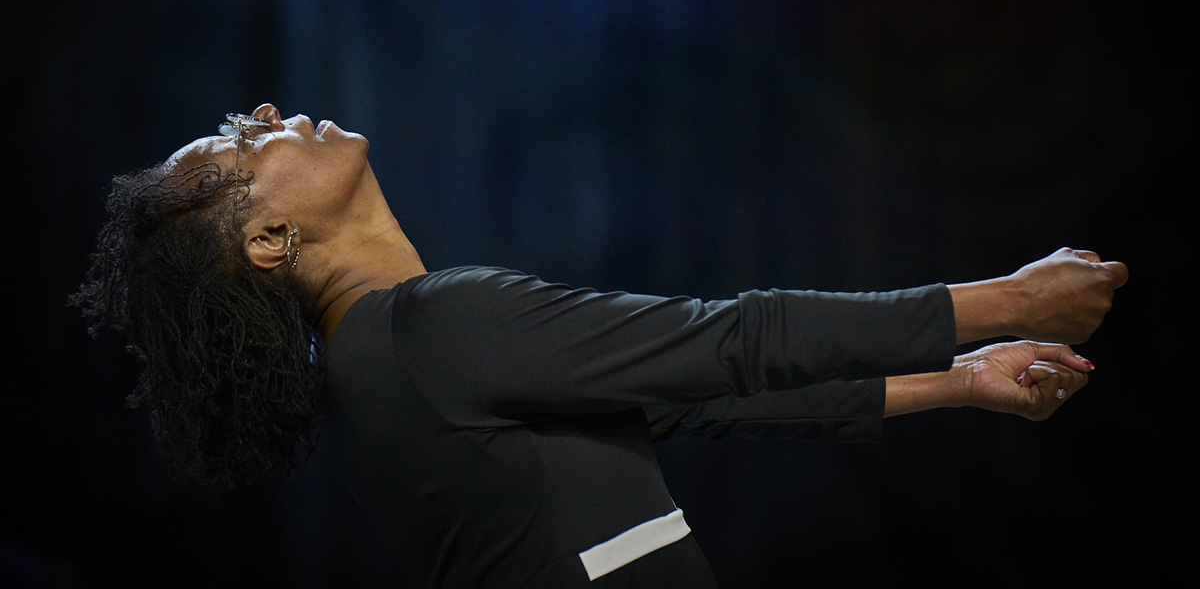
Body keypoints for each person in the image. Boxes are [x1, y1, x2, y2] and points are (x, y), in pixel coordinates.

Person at [72, 103, 1128, 588]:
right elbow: (733, 341)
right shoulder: (430, 323)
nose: (264, 112)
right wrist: (1008, 298)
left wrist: (961, 381)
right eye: (241, 145)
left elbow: (695, 398)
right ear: (269, 238)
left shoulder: (373, 361)